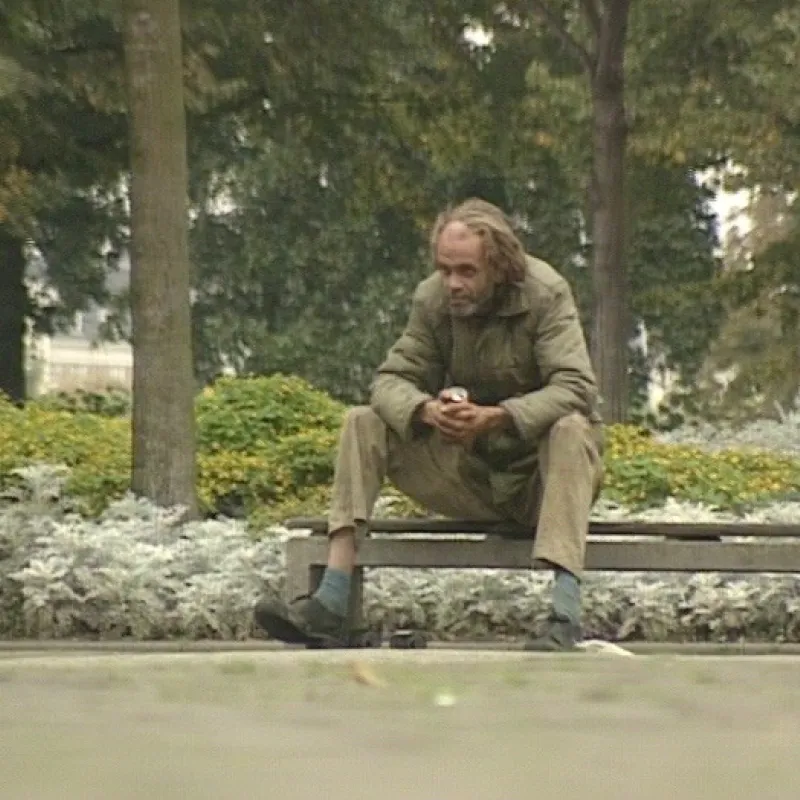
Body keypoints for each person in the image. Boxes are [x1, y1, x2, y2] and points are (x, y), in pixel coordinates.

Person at [254, 197, 604, 651]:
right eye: (445, 269)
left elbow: (577, 387)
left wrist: (498, 416)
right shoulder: (433, 299)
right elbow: (389, 381)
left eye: (467, 271)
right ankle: (330, 605)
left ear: (499, 266)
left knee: (572, 429)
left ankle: (564, 616)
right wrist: (426, 411)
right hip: (469, 476)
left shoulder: (546, 293)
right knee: (362, 421)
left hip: (540, 484)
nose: (453, 283)